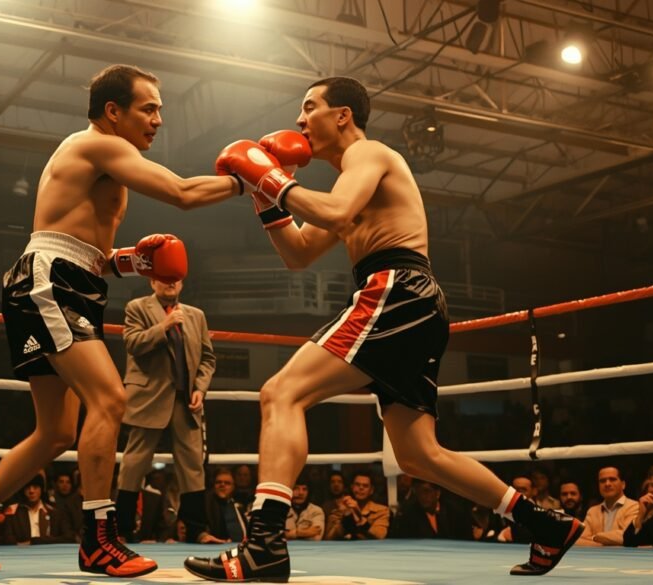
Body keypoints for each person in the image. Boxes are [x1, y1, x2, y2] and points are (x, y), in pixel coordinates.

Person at [185, 76, 582, 582]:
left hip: (395, 289)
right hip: (413, 302)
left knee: (280, 393)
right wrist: (264, 192)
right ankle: (544, 524)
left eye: (310, 108)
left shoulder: (368, 156)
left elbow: (334, 211)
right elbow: (298, 253)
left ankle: (263, 543)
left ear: (343, 115)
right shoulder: (350, 179)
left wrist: (270, 178)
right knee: (419, 455)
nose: (301, 121)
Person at [0, 63, 240, 577]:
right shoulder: (98, 143)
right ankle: (98, 540)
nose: (159, 120)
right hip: (50, 281)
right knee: (111, 399)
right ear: (113, 111)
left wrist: (128, 261)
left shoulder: (100, 157)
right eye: (149, 108)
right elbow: (184, 193)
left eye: (161, 109)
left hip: (71, 280)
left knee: (56, 432)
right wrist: (253, 181)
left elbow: (84, 244)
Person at [115, 278, 221, 544]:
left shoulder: (196, 316)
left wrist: (200, 388)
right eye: (164, 278)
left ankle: (197, 530)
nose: (170, 283)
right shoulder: (137, 308)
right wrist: (164, 326)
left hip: (186, 398)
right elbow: (133, 343)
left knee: (192, 464)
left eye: (174, 279)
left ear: (183, 283)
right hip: (149, 396)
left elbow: (208, 358)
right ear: (152, 282)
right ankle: (123, 529)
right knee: (134, 462)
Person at [577, 466, 638, 546]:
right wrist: (601, 544)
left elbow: (626, 536)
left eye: (612, 479)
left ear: (623, 484)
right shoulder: (592, 511)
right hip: (595, 557)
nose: (607, 484)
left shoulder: (634, 506)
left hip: (623, 557)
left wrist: (595, 537)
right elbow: (579, 540)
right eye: (602, 481)